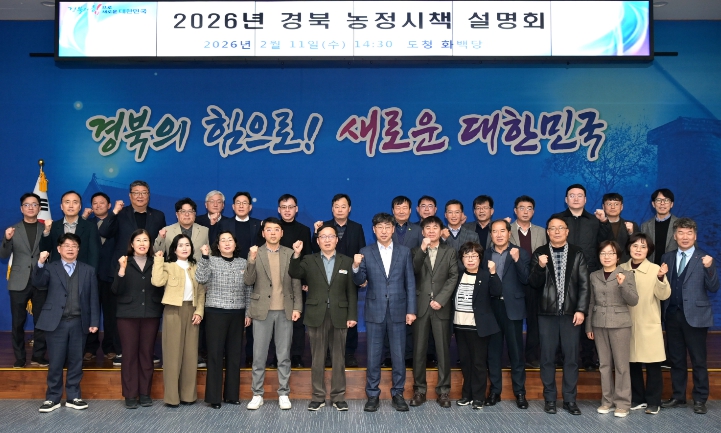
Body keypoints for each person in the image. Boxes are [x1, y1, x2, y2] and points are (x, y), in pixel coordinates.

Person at [288, 225, 358, 411]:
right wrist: (296, 254)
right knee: (317, 358)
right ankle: (318, 396)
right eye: (323, 237)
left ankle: (338, 396)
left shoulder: (346, 261)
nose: (327, 240)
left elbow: (351, 292)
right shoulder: (309, 260)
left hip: (340, 315)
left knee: (338, 358)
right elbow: (295, 273)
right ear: (317, 241)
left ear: (337, 240)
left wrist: (352, 315)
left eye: (330, 236)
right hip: (315, 314)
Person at [352, 213, 416, 412]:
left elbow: (410, 283)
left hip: (399, 309)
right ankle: (372, 395)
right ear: (374, 230)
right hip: (375, 310)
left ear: (393, 229)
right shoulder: (366, 251)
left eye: (387, 227)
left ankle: (398, 394)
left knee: (398, 355)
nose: (384, 231)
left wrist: (411, 310)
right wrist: (355, 266)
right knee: (373, 355)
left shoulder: (404, 252)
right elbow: (359, 281)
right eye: (380, 227)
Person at [528, 217, 590, 416]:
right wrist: (539, 267)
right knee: (547, 358)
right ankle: (550, 399)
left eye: (560, 228)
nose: (556, 231)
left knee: (571, 359)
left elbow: (584, 284)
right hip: (547, 314)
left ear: (567, 231)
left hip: (571, 314)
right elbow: (533, 283)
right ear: (547, 232)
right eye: (552, 228)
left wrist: (581, 310)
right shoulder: (539, 253)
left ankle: (570, 400)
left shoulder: (577, 253)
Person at [33, 233, 99, 413]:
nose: (70, 249)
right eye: (67, 245)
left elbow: (94, 298)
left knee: (76, 361)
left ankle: (73, 396)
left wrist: (94, 321)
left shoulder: (88, 270)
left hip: (79, 322)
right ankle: (52, 398)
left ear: (79, 249)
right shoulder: (50, 268)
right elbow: (38, 282)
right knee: (55, 361)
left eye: (74, 246)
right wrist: (40, 263)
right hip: (56, 323)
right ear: (59, 249)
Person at [660, 218, 719, 415]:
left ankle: (700, 398)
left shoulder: (705, 258)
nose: (685, 237)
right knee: (676, 359)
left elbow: (714, 287)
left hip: (696, 316)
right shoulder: (667, 257)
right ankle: (678, 396)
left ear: (695, 236)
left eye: (689, 233)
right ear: (675, 236)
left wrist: (709, 268)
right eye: (681, 233)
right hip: (672, 315)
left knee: (698, 359)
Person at [244, 217, 302, 411]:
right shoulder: (255, 252)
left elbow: (296, 282)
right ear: (263, 233)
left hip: (285, 310)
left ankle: (284, 393)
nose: (273, 233)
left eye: (276, 229)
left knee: (284, 355)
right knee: (259, 356)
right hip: (262, 310)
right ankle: (257, 394)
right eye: (269, 229)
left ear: (282, 233)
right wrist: (251, 260)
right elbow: (248, 281)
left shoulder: (290, 253)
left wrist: (297, 307)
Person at [194, 231, 252, 409]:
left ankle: (232, 395)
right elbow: (200, 278)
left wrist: (248, 312)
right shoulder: (210, 260)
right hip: (215, 312)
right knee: (215, 355)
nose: (227, 243)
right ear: (217, 246)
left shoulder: (243, 263)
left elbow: (248, 289)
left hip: (237, 313)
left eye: (230, 240)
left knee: (234, 355)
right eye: (223, 241)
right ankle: (214, 397)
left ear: (235, 244)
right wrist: (205, 257)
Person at [551, 184, 603, 372]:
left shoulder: (594, 221)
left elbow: (601, 247)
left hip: (587, 275)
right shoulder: (558, 220)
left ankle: (588, 357)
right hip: (561, 275)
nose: (575, 198)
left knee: (586, 315)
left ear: (585, 199)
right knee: (562, 315)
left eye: (579, 195)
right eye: (571, 195)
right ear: (566, 199)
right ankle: (560, 356)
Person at [111, 229, 164, 409]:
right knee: (129, 355)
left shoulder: (156, 262)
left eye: (145, 240)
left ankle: (144, 393)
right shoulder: (124, 261)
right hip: (127, 315)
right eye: (138, 240)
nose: (142, 243)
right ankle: (130, 394)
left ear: (150, 244)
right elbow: (115, 290)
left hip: (151, 313)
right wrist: (122, 270)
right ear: (132, 244)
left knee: (146, 354)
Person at [409, 216, 458, 408]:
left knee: (443, 351)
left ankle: (444, 391)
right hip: (420, 306)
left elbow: (453, 277)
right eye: (427, 227)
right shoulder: (415, 251)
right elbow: (413, 271)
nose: (431, 230)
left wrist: (441, 299)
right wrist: (422, 249)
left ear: (441, 230)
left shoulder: (450, 251)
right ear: (422, 232)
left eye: (435, 227)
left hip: (441, 307)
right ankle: (419, 390)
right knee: (419, 350)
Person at [586, 240, 639, 418]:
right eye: (603, 253)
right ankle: (607, 401)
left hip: (620, 324)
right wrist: (589, 325)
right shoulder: (594, 275)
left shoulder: (626, 274)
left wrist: (622, 284)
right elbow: (591, 302)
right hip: (599, 323)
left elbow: (634, 300)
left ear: (618, 256)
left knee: (621, 365)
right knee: (604, 364)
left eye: (611, 253)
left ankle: (623, 403)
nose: (607, 257)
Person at [151, 234, 205, 408]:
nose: (184, 248)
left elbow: (202, 291)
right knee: (172, 355)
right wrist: (158, 260)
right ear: (174, 249)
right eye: (180, 245)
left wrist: (199, 311)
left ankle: (188, 395)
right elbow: (157, 281)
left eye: (187, 245)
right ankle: (172, 397)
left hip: (192, 310)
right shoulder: (168, 266)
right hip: (173, 311)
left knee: (190, 355)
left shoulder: (196, 267)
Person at [312, 193, 366, 367]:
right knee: (328, 316)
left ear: (349, 209)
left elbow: (361, 252)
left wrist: (362, 275)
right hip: (326, 279)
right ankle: (328, 354)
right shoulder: (324, 227)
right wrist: (315, 234)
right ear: (332, 209)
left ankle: (349, 353)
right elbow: (314, 252)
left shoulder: (357, 228)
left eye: (343, 206)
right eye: (336, 206)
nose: (340, 209)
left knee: (350, 316)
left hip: (349, 278)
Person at [620, 233, 670, 415]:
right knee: (632, 363)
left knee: (653, 364)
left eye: (643, 246)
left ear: (648, 250)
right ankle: (637, 398)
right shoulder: (621, 268)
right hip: (626, 323)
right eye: (635, 246)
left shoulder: (655, 269)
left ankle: (653, 401)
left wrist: (661, 278)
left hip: (648, 323)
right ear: (629, 248)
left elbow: (664, 295)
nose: (638, 250)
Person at [483, 219, 530, 409]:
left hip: (512, 308)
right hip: (492, 308)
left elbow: (526, 279)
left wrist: (517, 260)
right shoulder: (485, 254)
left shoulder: (520, 253)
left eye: (502, 231)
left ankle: (520, 392)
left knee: (516, 353)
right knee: (493, 353)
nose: (499, 235)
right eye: (495, 231)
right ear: (491, 235)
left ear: (509, 233)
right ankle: (495, 391)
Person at [1, 193, 49, 368]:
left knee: (41, 321)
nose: (30, 207)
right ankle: (20, 357)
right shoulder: (13, 230)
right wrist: (7, 239)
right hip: (19, 281)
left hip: (41, 280)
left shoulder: (46, 229)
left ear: (39, 208)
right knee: (18, 322)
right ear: (22, 208)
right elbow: (3, 255)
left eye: (34, 204)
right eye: (27, 205)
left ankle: (38, 356)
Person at [454, 242, 500, 410]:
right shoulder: (458, 275)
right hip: (460, 325)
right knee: (466, 362)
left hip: (478, 327)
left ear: (480, 258)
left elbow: (497, 291)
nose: (470, 259)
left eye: (474, 256)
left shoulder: (486, 276)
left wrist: (493, 273)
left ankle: (479, 397)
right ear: (462, 259)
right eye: (467, 256)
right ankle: (467, 395)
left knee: (478, 363)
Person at [81, 192, 120, 364]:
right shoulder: (86, 224)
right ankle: (89, 348)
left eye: (101, 203)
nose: (98, 206)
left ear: (109, 205)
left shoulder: (118, 222)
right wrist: (83, 217)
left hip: (111, 274)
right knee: (90, 312)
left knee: (111, 314)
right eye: (94, 203)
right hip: (91, 275)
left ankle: (110, 347)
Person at [508, 195, 546, 369]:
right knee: (513, 321)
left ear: (533, 211)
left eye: (529, 208)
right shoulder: (506, 230)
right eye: (521, 208)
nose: (525, 211)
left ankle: (532, 356)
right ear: (515, 211)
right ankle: (514, 357)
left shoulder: (541, 232)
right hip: (513, 281)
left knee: (534, 321)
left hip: (534, 282)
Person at [277, 194, 312, 368]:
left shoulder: (304, 230)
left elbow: (307, 256)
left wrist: (306, 280)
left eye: (290, 207)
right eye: (284, 207)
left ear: (296, 209)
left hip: (297, 280)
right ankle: (278, 356)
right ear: (279, 210)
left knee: (297, 320)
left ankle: (297, 355)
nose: (287, 210)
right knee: (278, 320)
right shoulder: (273, 228)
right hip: (276, 280)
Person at [98, 180, 167, 266]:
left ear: (148, 195)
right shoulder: (120, 213)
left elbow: (162, 242)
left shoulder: (158, 216)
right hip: (123, 264)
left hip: (150, 265)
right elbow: (104, 232)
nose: (140, 196)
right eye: (136, 193)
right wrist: (114, 212)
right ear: (130, 196)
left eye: (144, 193)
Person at [154, 198, 209, 262]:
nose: (187, 214)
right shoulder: (167, 231)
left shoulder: (204, 231)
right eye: (183, 211)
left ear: (195, 214)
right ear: (177, 214)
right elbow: (157, 252)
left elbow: (209, 253)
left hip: (198, 267)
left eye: (190, 211)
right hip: (174, 267)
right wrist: (161, 238)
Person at [215, 191, 261, 260]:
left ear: (250, 207)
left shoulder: (258, 224)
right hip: (230, 263)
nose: (241, 206)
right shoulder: (224, 224)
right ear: (233, 207)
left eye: (244, 203)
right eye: (238, 203)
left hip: (253, 262)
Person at [595, 193, 640, 263]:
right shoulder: (596, 225)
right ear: (603, 207)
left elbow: (638, 247)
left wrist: (631, 233)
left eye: (616, 204)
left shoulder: (632, 225)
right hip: (603, 265)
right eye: (609, 204)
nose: (613, 207)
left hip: (626, 265)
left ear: (621, 207)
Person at [640, 189, 678, 265]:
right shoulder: (645, 226)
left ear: (671, 204)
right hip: (651, 268)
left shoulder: (680, 224)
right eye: (658, 200)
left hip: (673, 268)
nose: (662, 203)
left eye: (666, 200)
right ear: (653, 204)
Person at [441, 199, 480, 271]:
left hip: (467, 274)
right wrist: (443, 239)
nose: (453, 215)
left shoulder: (473, 235)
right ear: (445, 215)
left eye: (457, 212)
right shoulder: (439, 233)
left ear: (462, 215)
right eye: (450, 212)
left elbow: (477, 258)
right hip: (445, 275)